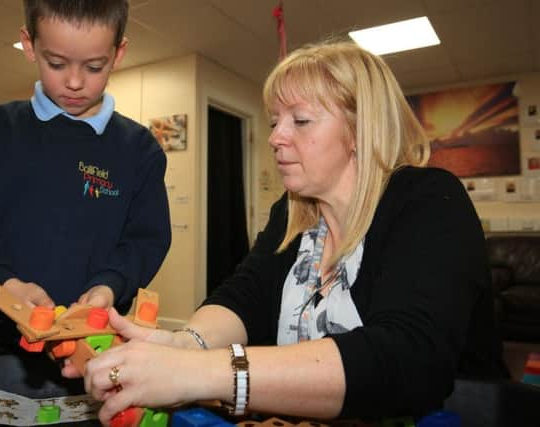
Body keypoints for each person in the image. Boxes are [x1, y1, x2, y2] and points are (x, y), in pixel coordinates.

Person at [63, 40, 509, 425]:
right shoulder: (292, 212)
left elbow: (408, 361)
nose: (276, 136)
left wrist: (199, 373)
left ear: (359, 130)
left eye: (300, 120)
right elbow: (245, 297)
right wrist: (185, 344)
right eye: (275, 119)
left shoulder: (429, 199)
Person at [0, 0, 171, 357]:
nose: (74, 83)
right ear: (29, 45)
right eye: (56, 64)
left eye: (94, 66)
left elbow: (144, 242)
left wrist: (108, 287)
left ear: (118, 53)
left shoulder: (140, 151)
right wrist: (4, 286)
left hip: (88, 348)